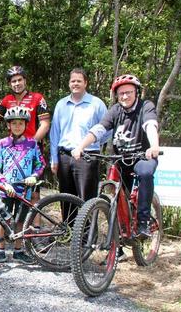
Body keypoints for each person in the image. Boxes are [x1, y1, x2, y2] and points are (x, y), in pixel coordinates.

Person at [72, 74, 160, 240]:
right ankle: (118, 242)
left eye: (129, 92)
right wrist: (81, 146)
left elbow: (150, 125)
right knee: (116, 195)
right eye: (121, 93)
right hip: (121, 159)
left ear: (137, 92)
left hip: (142, 157)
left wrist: (154, 145)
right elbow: (99, 129)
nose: (125, 96)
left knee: (146, 173)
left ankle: (143, 221)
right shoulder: (115, 110)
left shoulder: (145, 106)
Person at [0, 65, 50, 220]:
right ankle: (9, 227)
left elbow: (45, 124)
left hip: (32, 147)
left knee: (33, 192)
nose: (17, 83)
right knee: (8, 187)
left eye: (20, 80)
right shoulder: (7, 100)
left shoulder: (37, 98)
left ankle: (34, 229)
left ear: (25, 80)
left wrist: (33, 143)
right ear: (10, 84)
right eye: (13, 81)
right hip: (12, 148)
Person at [0, 106, 45, 265]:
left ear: (26, 125)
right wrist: (4, 184)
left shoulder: (32, 144)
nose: (17, 126)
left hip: (24, 190)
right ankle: (0, 251)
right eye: (14, 124)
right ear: (8, 125)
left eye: (21, 123)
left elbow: (40, 165)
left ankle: (18, 251)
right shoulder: (2, 144)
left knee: (20, 220)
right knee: (3, 219)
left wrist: (34, 176)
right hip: (6, 189)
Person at [50, 69, 108, 210]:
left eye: (79, 81)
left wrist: (94, 142)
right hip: (64, 157)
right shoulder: (61, 104)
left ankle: (88, 232)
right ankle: (68, 231)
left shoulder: (96, 104)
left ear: (86, 83)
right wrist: (54, 159)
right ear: (69, 83)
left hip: (87, 158)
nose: (75, 83)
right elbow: (54, 133)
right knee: (66, 200)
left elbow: (107, 129)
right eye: (72, 81)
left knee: (86, 202)